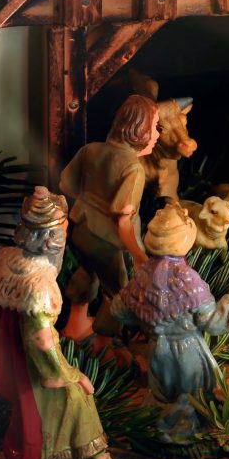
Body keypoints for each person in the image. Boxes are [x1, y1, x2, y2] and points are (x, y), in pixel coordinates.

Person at [96, 202, 229, 450]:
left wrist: (146, 315)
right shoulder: (187, 279)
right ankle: (181, 435)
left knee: (163, 393)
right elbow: (212, 322)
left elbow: (120, 310)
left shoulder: (144, 274)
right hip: (189, 352)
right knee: (194, 393)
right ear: (184, 241)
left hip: (157, 351)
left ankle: (159, 425)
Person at [0, 187, 133, 459]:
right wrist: (67, 374)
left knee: (64, 401)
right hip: (35, 368)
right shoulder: (38, 284)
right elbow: (41, 340)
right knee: (75, 395)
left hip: (14, 359)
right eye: (64, 229)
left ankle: (93, 458)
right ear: (52, 237)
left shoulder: (5, 262)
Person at [59, 95, 161, 340]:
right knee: (119, 293)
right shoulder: (133, 168)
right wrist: (138, 255)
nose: (157, 135)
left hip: (81, 230)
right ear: (140, 129)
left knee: (88, 270)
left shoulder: (90, 150)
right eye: (155, 126)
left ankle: (75, 324)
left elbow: (65, 185)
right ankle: (106, 344)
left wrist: (90, 200)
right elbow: (123, 221)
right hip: (107, 242)